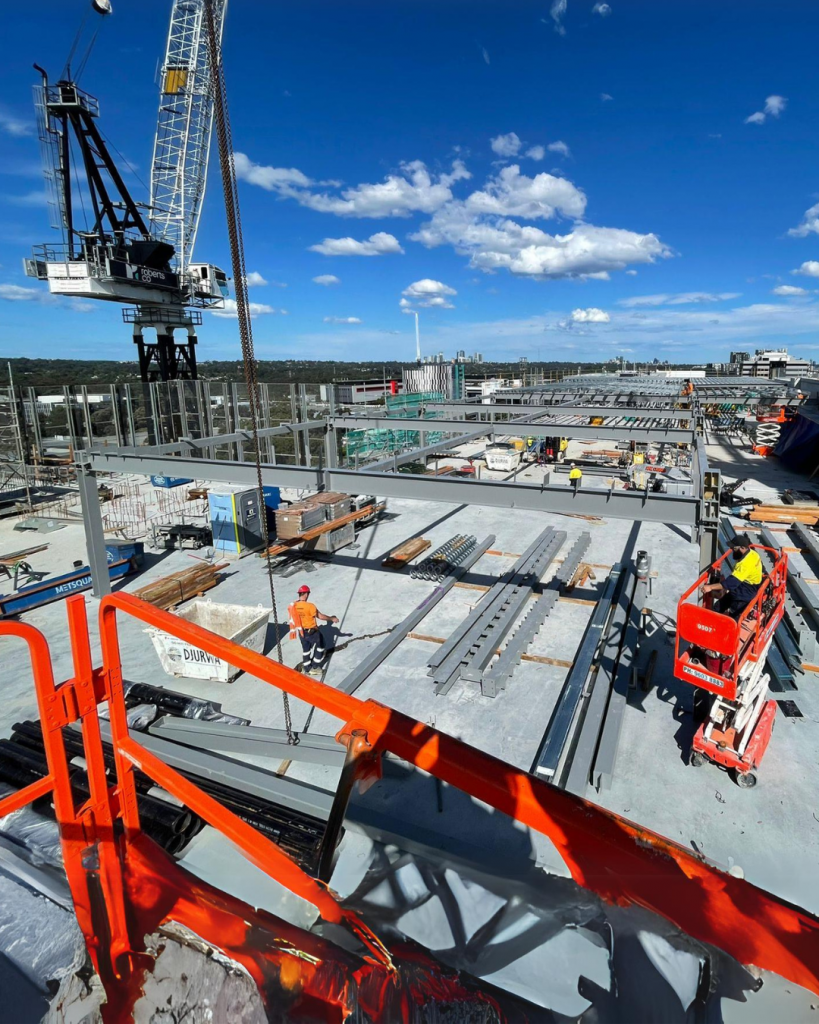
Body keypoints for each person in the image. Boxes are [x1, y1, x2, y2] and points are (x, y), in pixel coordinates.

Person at [701, 535, 763, 620]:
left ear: (742, 548)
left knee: (734, 616)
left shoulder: (744, 564)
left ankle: (730, 629)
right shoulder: (753, 553)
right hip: (745, 584)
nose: (732, 550)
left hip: (746, 591)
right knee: (717, 607)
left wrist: (710, 587)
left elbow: (731, 583)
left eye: (734, 548)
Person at [288, 585, 339, 673]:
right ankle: (315, 668)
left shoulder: (294, 605)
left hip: (301, 632)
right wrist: (332, 619)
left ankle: (307, 667)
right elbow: (321, 616)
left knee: (306, 650)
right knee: (321, 645)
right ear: (306, 594)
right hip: (312, 632)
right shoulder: (310, 606)